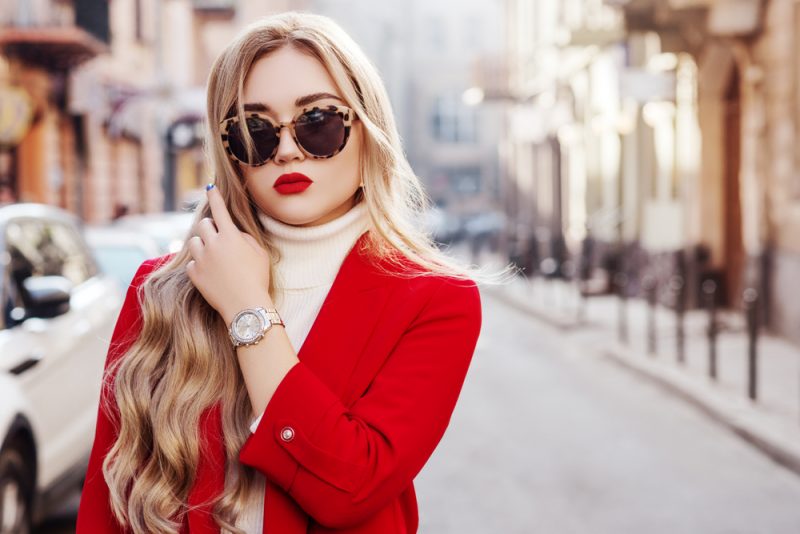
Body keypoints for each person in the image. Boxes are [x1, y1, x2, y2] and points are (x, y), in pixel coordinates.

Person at [76, 11, 508, 534]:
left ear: (367, 129)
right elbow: (108, 502)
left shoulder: (435, 299)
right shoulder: (161, 288)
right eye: (254, 131)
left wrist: (246, 309)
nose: (285, 151)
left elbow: (352, 488)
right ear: (230, 154)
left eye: (318, 123)